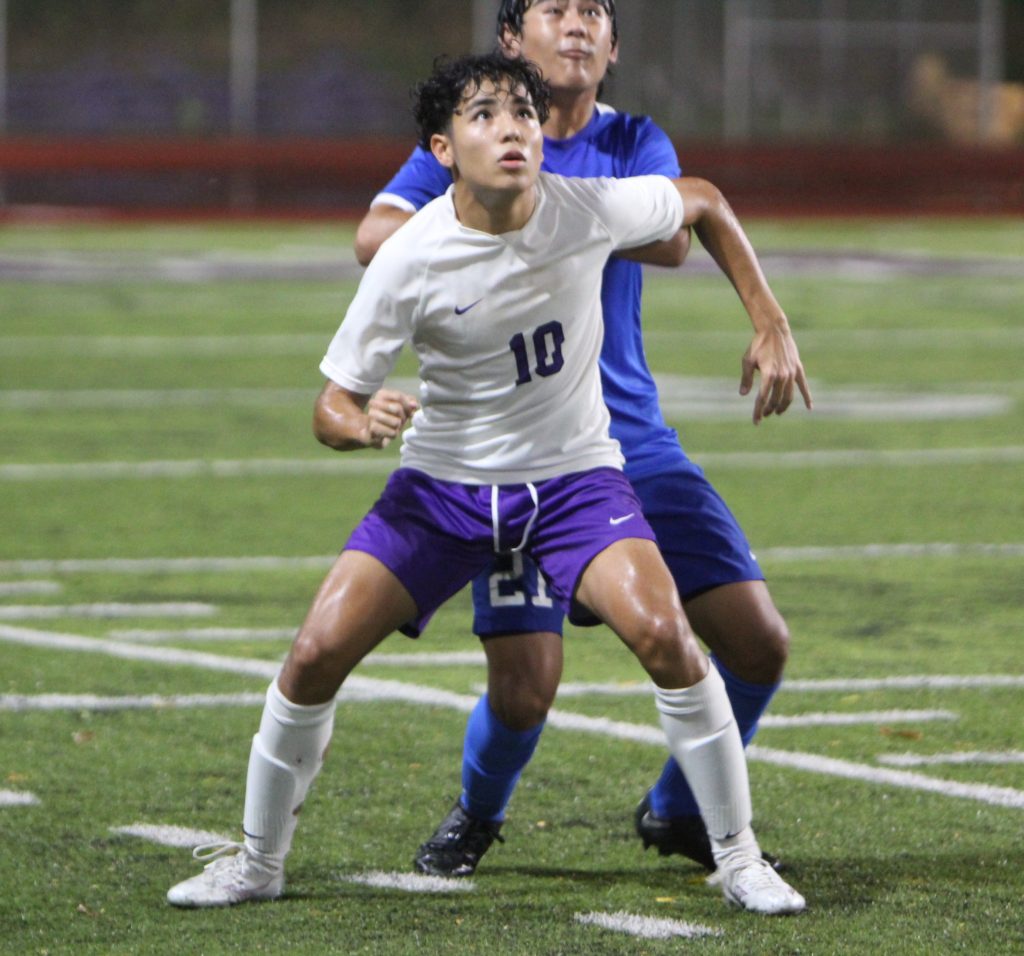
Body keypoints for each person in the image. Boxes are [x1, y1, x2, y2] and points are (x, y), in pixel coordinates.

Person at [166, 51, 805, 915]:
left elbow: (704, 201)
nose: (511, 128)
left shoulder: (587, 207)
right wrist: (361, 425)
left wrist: (770, 319)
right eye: (485, 115)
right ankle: (255, 861)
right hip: (444, 489)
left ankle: (738, 856)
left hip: (575, 481)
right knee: (315, 654)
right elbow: (331, 405)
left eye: (523, 115)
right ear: (443, 146)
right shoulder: (412, 255)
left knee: (666, 637)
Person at [354, 0, 812, 881]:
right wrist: (487, 209)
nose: (575, 26)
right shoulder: (478, 137)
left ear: (614, 44)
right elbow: (375, 234)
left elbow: (680, 233)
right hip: (514, 450)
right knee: (525, 687)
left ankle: (678, 813)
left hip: (628, 441)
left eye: (593, 12)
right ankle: (477, 817)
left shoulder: (634, 140)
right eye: (554, 10)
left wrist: (766, 315)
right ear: (509, 43)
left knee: (758, 641)